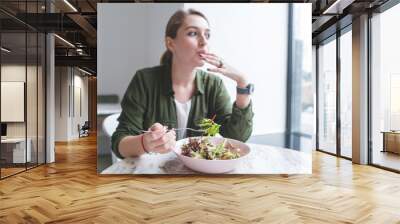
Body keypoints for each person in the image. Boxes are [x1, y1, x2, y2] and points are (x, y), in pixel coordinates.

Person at [112, 9, 254, 159]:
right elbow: (119, 143)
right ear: (171, 43)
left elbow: (237, 137)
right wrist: (146, 143)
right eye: (193, 33)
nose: (204, 41)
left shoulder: (213, 84)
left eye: (207, 34)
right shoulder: (145, 80)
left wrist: (242, 83)